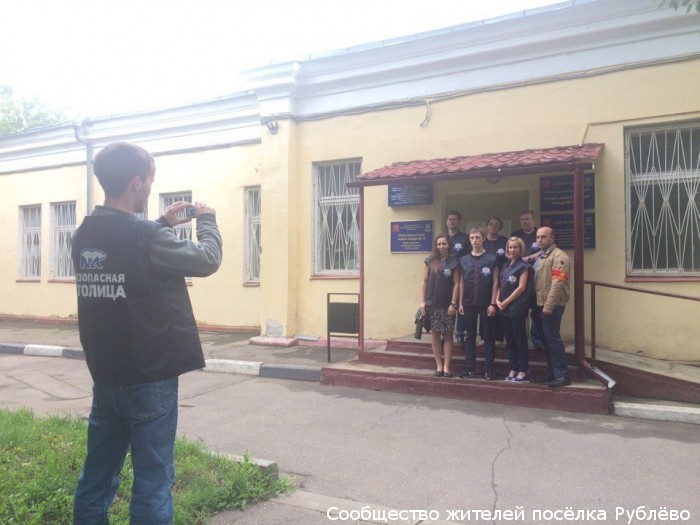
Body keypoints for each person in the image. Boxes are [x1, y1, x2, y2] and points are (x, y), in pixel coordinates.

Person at [71, 142, 223, 524]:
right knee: (153, 483)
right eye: (150, 181)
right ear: (136, 182)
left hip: (107, 378)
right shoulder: (147, 237)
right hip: (149, 380)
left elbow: (128, 251)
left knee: (96, 479)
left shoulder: (84, 234)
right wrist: (206, 220)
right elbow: (207, 260)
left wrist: (161, 224)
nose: (150, 188)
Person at [458, 227, 499, 380]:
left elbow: (495, 282)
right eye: (472, 238)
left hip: (486, 303)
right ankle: (470, 369)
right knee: (470, 336)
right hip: (468, 303)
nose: (474, 240)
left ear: (483, 239)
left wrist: (493, 303)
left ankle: (489, 370)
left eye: (477, 237)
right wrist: (460, 303)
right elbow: (462, 282)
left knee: (488, 336)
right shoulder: (464, 260)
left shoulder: (492, 258)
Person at [533, 226, 572, 387]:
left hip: (551, 306)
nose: (540, 240)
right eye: (538, 237)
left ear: (552, 238)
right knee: (546, 340)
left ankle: (562, 375)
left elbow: (558, 283)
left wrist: (548, 306)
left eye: (543, 237)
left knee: (552, 339)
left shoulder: (559, 257)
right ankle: (553, 373)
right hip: (539, 304)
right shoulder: (542, 256)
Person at [419, 234, 460, 377]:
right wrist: (422, 301)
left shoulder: (454, 262)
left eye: (444, 244)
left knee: (448, 335)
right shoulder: (429, 261)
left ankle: (447, 367)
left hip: (448, 305)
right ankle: (439, 366)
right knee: (435, 334)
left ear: (449, 245)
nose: (441, 246)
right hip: (432, 305)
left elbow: (457, 284)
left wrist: (453, 303)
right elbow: (424, 282)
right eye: (439, 244)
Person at [496, 237, 531, 382]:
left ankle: (523, 370)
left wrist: (506, 302)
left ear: (520, 249)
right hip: (503, 308)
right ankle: (513, 368)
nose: (512, 250)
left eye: (515, 247)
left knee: (519, 340)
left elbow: (521, 287)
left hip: (516, 308)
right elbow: (500, 285)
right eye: (510, 247)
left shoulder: (524, 266)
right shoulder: (505, 265)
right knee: (509, 340)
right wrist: (497, 300)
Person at [510, 209, 545, 350]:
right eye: (522, 219)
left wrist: (528, 258)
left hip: (536, 277)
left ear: (533, 220)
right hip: (517, 277)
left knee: (536, 310)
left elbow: (544, 250)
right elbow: (509, 252)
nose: (525, 222)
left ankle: (536, 339)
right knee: (518, 308)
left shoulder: (539, 235)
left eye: (527, 219)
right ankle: (519, 337)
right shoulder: (515, 235)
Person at [445, 210, 469, 345]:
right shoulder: (442, 238)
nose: (452, 221)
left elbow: (469, 257)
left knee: (460, 304)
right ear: (446, 221)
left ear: (459, 221)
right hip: (445, 276)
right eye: (450, 219)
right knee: (445, 304)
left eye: (454, 219)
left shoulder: (465, 238)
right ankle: (444, 332)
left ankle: (460, 334)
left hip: (461, 275)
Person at [483, 215, 507, 344]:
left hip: (501, 278)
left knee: (497, 307)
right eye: (491, 224)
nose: (493, 226)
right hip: (484, 279)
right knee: (484, 307)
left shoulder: (504, 241)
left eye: (496, 225)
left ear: (500, 228)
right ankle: (484, 336)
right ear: (487, 226)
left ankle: (499, 337)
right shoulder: (482, 241)